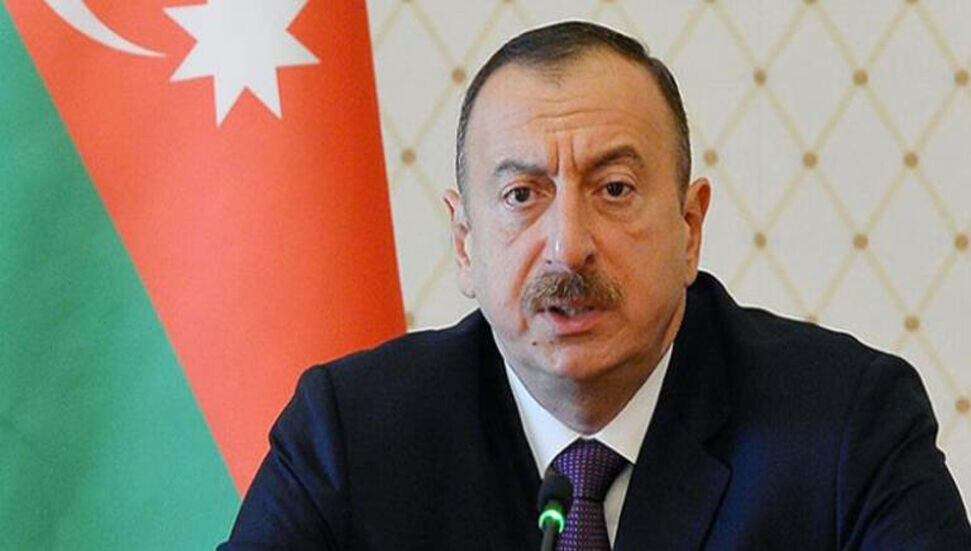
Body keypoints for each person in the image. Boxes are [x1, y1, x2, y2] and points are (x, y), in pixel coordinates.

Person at [220, 21, 971, 550]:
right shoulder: (350, 435)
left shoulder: (847, 425)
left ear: (689, 227)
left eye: (613, 189)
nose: (567, 246)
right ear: (464, 242)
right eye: (521, 196)